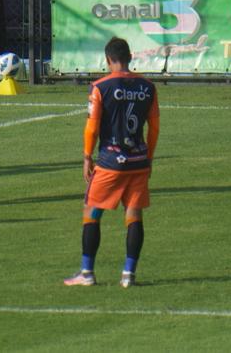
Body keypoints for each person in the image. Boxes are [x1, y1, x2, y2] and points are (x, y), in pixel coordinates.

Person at [64, 37, 159, 288]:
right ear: (130, 57)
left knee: (92, 212)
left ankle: (87, 273)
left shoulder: (100, 86)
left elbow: (92, 126)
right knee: (134, 214)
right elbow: (155, 127)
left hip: (109, 162)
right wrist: (148, 158)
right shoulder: (148, 87)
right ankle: (128, 275)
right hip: (138, 161)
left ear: (108, 60)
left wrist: (87, 156)